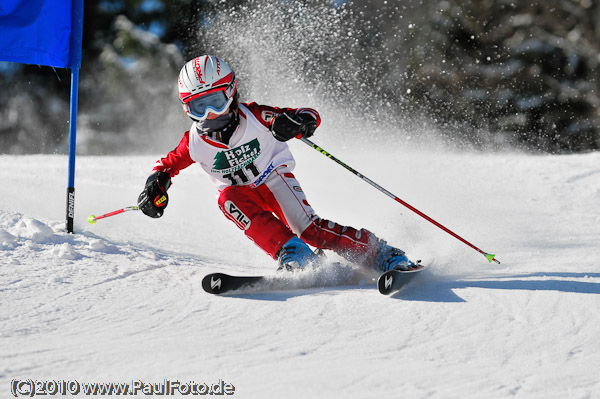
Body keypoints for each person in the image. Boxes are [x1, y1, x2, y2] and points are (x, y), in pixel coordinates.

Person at [137, 55, 418, 273]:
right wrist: (155, 187)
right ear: (187, 108)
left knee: (312, 231)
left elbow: (309, 115)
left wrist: (296, 123)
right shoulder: (195, 142)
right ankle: (294, 254)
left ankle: (383, 255)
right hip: (244, 196)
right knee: (227, 199)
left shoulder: (257, 116)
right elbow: (165, 166)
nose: (210, 114)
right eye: (199, 107)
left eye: (216, 101)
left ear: (232, 93)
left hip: (274, 179)